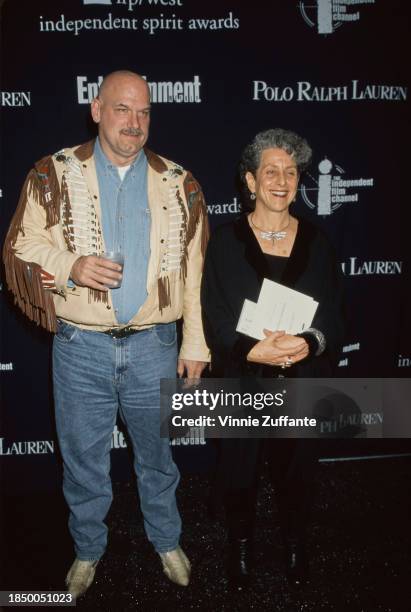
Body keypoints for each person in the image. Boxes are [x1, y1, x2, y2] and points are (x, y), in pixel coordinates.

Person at [3, 70, 209, 597]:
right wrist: (71, 263)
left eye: (143, 112)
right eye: (122, 109)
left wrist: (195, 341)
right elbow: (23, 245)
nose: (134, 123)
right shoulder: (53, 174)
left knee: (159, 459)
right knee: (83, 461)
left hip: (155, 347)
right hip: (79, 348)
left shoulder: (177, 181)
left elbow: (194, 270)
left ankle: (166, 539)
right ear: (96, 110)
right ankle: (88, 550)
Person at [201, 128, 344, 589]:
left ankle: (296, 543)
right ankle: (239, 544)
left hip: (301, 379)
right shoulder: (225, 241)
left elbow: (337, 317)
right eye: (270, 171)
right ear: (250, 180)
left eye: (290, 172)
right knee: (238, 470)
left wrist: (311, 342)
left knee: (297, 471)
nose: (281, 181)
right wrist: (250, 348)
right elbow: (215, 313)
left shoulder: (319, 243)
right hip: (242, 377)